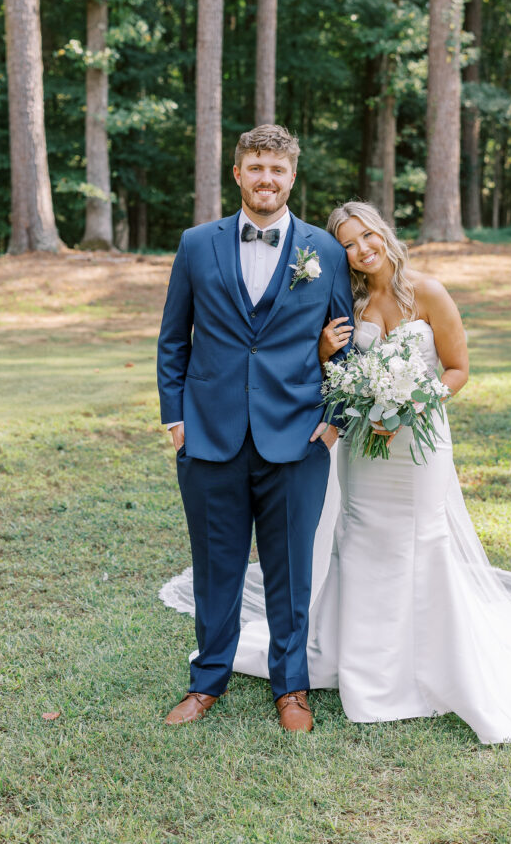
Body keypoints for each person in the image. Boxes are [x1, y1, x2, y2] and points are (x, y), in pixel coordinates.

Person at [160, 201, 511, 744]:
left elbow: (459, 368)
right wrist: (327, 352)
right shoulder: (350, 298)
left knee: (421, 544)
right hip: (362, 448)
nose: (361, 249)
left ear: (384, 233)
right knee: (360, 542)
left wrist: (413, 403)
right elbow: (324, 367)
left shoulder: (428, 291)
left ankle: (430, 664)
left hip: (418, 447)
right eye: (349, 244)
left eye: (367, 236)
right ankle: (361, 664)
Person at [156, 125, 353, 731]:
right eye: (256, 167)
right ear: (237, 173)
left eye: (279, 169)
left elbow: (346, 346)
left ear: (293, 177)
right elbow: (173, 340)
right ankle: (207, 679)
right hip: (209, 434)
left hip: (297, 438)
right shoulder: (196, 244)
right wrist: (176, 418)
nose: (267, 178)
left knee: (291, 568)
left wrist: (332, 424)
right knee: (216, 564)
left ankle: (290, 688)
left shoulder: (326, 250)